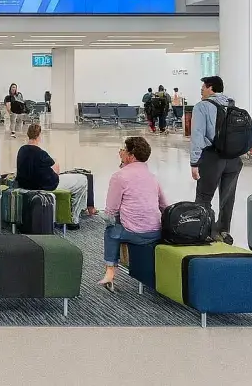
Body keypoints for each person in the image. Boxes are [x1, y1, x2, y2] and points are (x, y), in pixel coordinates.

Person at [97, 137, 168, 291]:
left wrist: (99, 214)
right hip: (155, 233)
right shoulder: (152, 177)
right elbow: (164, 206)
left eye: (123, 149)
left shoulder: (119, 176)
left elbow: (110, 212)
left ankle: (110, 271)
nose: (120, 152)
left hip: (133, 233)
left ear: (131, 155)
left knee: (111, 231)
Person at [191, 76, 241, 245]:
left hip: (213, 157)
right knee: (227, 197)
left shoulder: (202, 107)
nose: (201, 90)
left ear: (210, 88)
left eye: (203, 87)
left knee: (204, 197)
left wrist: (194, 162)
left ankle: (205, 231)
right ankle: (224, 231)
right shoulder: (232, 104)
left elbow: (197, 136)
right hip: (234, 158)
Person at [15, 123, 90, 227]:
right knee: (83, 179)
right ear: (39, 136)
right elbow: (57, 171)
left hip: (26, 184)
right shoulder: (41, 153)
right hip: (47, 185)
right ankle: (74, 219)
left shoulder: (21, 150)